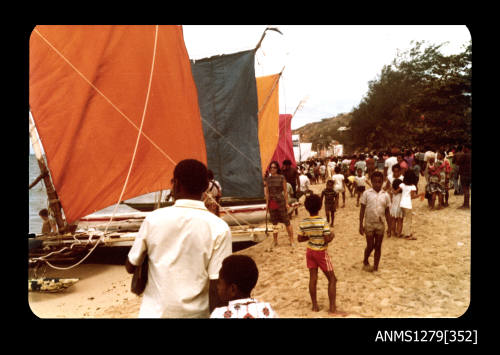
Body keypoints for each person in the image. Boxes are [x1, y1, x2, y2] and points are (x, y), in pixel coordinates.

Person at [126, 159, 232, 318]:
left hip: (154, 313)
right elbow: (217, 285)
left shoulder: (153, 220)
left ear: (176, 184)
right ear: (205, 186)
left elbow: (130, 266)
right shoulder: (219, 228)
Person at [298, 194, 345, 316]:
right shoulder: (323, 221)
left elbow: (299, 238)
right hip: (321, 252)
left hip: (310, 251)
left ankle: (314, 306)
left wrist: (311, 235)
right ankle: (332, 309)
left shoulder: (304, 222)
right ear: (319, 207)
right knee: (332, 279)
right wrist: (332, 235)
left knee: (313, 279)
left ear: (307, 208)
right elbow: (327, 239)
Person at [210, 255, 278, 318]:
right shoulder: (267, 310)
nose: (217, 286)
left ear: (233, 289)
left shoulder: (218, 314)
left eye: (219, 282)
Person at [359, 171, 391, 272]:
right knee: (370, 245)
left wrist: (390, 227)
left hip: (380, 224)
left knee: (378, 246)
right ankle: (365, 260)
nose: (377, 184)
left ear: (382, 182)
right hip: (369, 223)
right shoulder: (366, 194)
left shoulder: (385, 195)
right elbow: (362, 210)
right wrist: (360, 224)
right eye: (375, 182)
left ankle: (376, 266)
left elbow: (387, 212)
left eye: (379, 182)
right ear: (371, 182)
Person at [265, 161, 295, 247]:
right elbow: (267, 193)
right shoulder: (268, 179)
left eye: (274, 167)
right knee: (274, 223)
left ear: (277, 168)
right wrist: (267, 204)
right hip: (272, 202)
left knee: (287, 221)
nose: (272, 169)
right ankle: (275, 241)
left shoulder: (281, 177)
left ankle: (291, 240)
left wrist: (286, 203)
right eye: (271, 167)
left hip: (281, 202)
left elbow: (285, 192)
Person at [397, 169, 422, 240]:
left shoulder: (402, 185)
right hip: (407, 205)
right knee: (408, 220)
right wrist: (420, 195)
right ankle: (407, 235)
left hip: (401, 203)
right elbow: (412, 197)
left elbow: (397, 190)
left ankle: (403, 232)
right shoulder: (412, 187)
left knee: (403, 219)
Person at [454, 145, 471, 209]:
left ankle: (466, 205)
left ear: (467, 148)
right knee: (468, 189)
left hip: (464, 174)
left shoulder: (464, 155)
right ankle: (466, 204)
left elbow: (458, 163)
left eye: (464, 148)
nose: (463, 149)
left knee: (465, 189)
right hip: (469, 174)